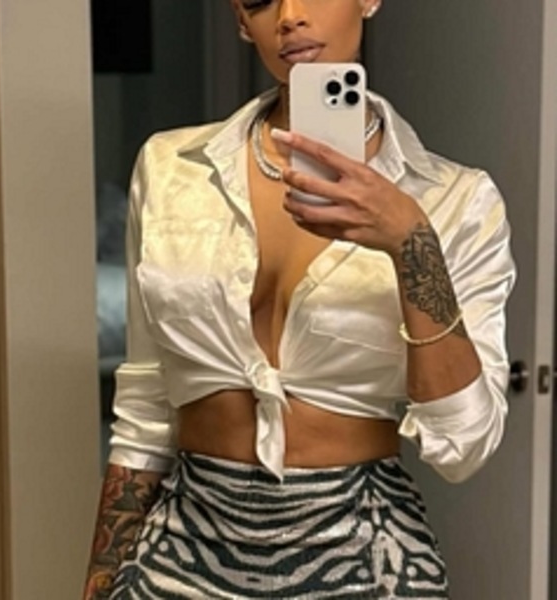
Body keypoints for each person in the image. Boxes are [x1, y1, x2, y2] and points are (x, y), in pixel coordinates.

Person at [83, 0, 516, 598]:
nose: (289, 15)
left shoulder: (456, 199)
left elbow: (464, 445)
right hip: (181, 552)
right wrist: (101, 582)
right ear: (240, 20)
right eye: (260, 0)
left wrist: (411, 242)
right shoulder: (170, 168)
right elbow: (145, 407)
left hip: (364, 559)